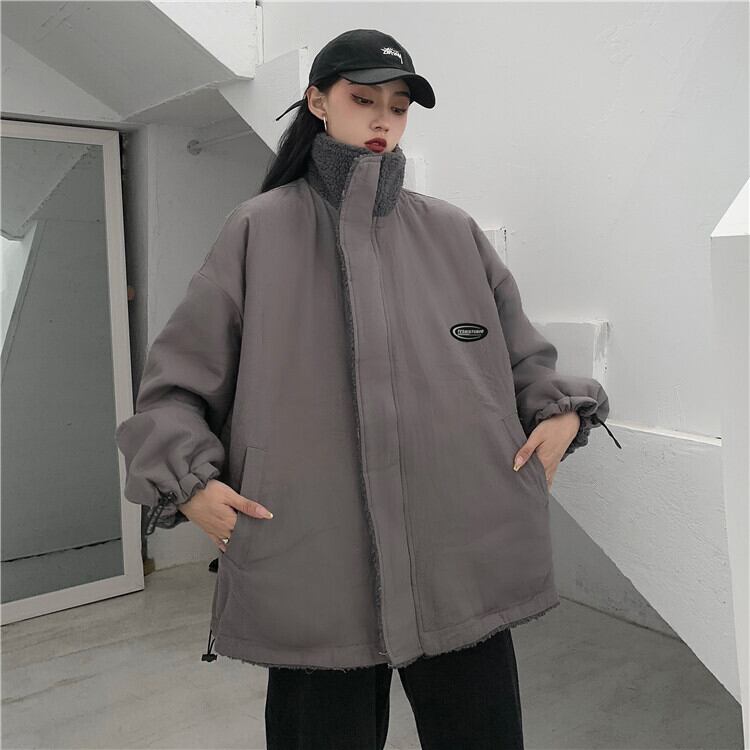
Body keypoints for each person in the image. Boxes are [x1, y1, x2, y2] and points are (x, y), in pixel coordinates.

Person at [115, 28, 621, 750]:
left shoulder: (452, 233)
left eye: (399, 106)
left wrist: (561, 414)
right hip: (312, 560)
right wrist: (189, 485)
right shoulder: (257, 230)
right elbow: (174, 388)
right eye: (363, 100)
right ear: (318, 102)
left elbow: (524, 360)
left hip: (461, 555)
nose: (384, 119)